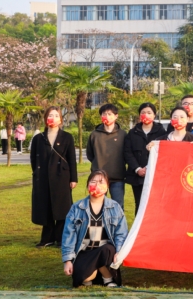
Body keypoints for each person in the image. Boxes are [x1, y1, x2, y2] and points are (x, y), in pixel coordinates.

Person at [62, 170, 128, 288]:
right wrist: (67, 261)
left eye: (101, 182)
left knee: (107, 249)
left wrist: (119, 252)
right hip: (84, 252)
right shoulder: (77, 208)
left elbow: (121, 233)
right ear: (88, 185)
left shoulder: (115, 207)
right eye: (93, 181)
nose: (97, 185)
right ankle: (94, 273)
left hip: (105, 252)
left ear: (107, 187)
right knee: (83, 278)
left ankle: (108, 279)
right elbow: (68, 235)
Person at [30, 106, 77, 248]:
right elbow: (34, 159)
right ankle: (47, 238)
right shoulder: (38, 138)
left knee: (62, 208)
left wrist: (73, 178)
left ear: (60, 119)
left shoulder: (67, 137)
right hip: (43, 178)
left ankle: (61, 238)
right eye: (50, 115)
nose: (53, 118)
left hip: (61, 177)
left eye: (56, 115)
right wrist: (37, 174)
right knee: (46, 207)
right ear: (46, 118)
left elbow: (72, 159)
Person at [123, 103, 166, 215]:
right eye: (143, 112)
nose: (146, 115)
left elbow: (163, 152)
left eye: (149, 112)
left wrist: (148, 168)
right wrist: (137, 169)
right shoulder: (133, 132)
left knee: (155, 204)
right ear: (139, 115)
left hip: (155, 175)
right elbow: (128, 152)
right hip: (137, 176)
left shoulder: (162, 132)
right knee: (139, 203)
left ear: (154, 115)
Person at [86, 104, 127, 209]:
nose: (107, 116)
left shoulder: (122, 134)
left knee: (117, 206)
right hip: (99, 177)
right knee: (98, 206)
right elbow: (90, 154)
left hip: (117, 178)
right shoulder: (94, 135)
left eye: (110, 114)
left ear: (116, 116)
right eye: (104, 114)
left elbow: (126, 154)